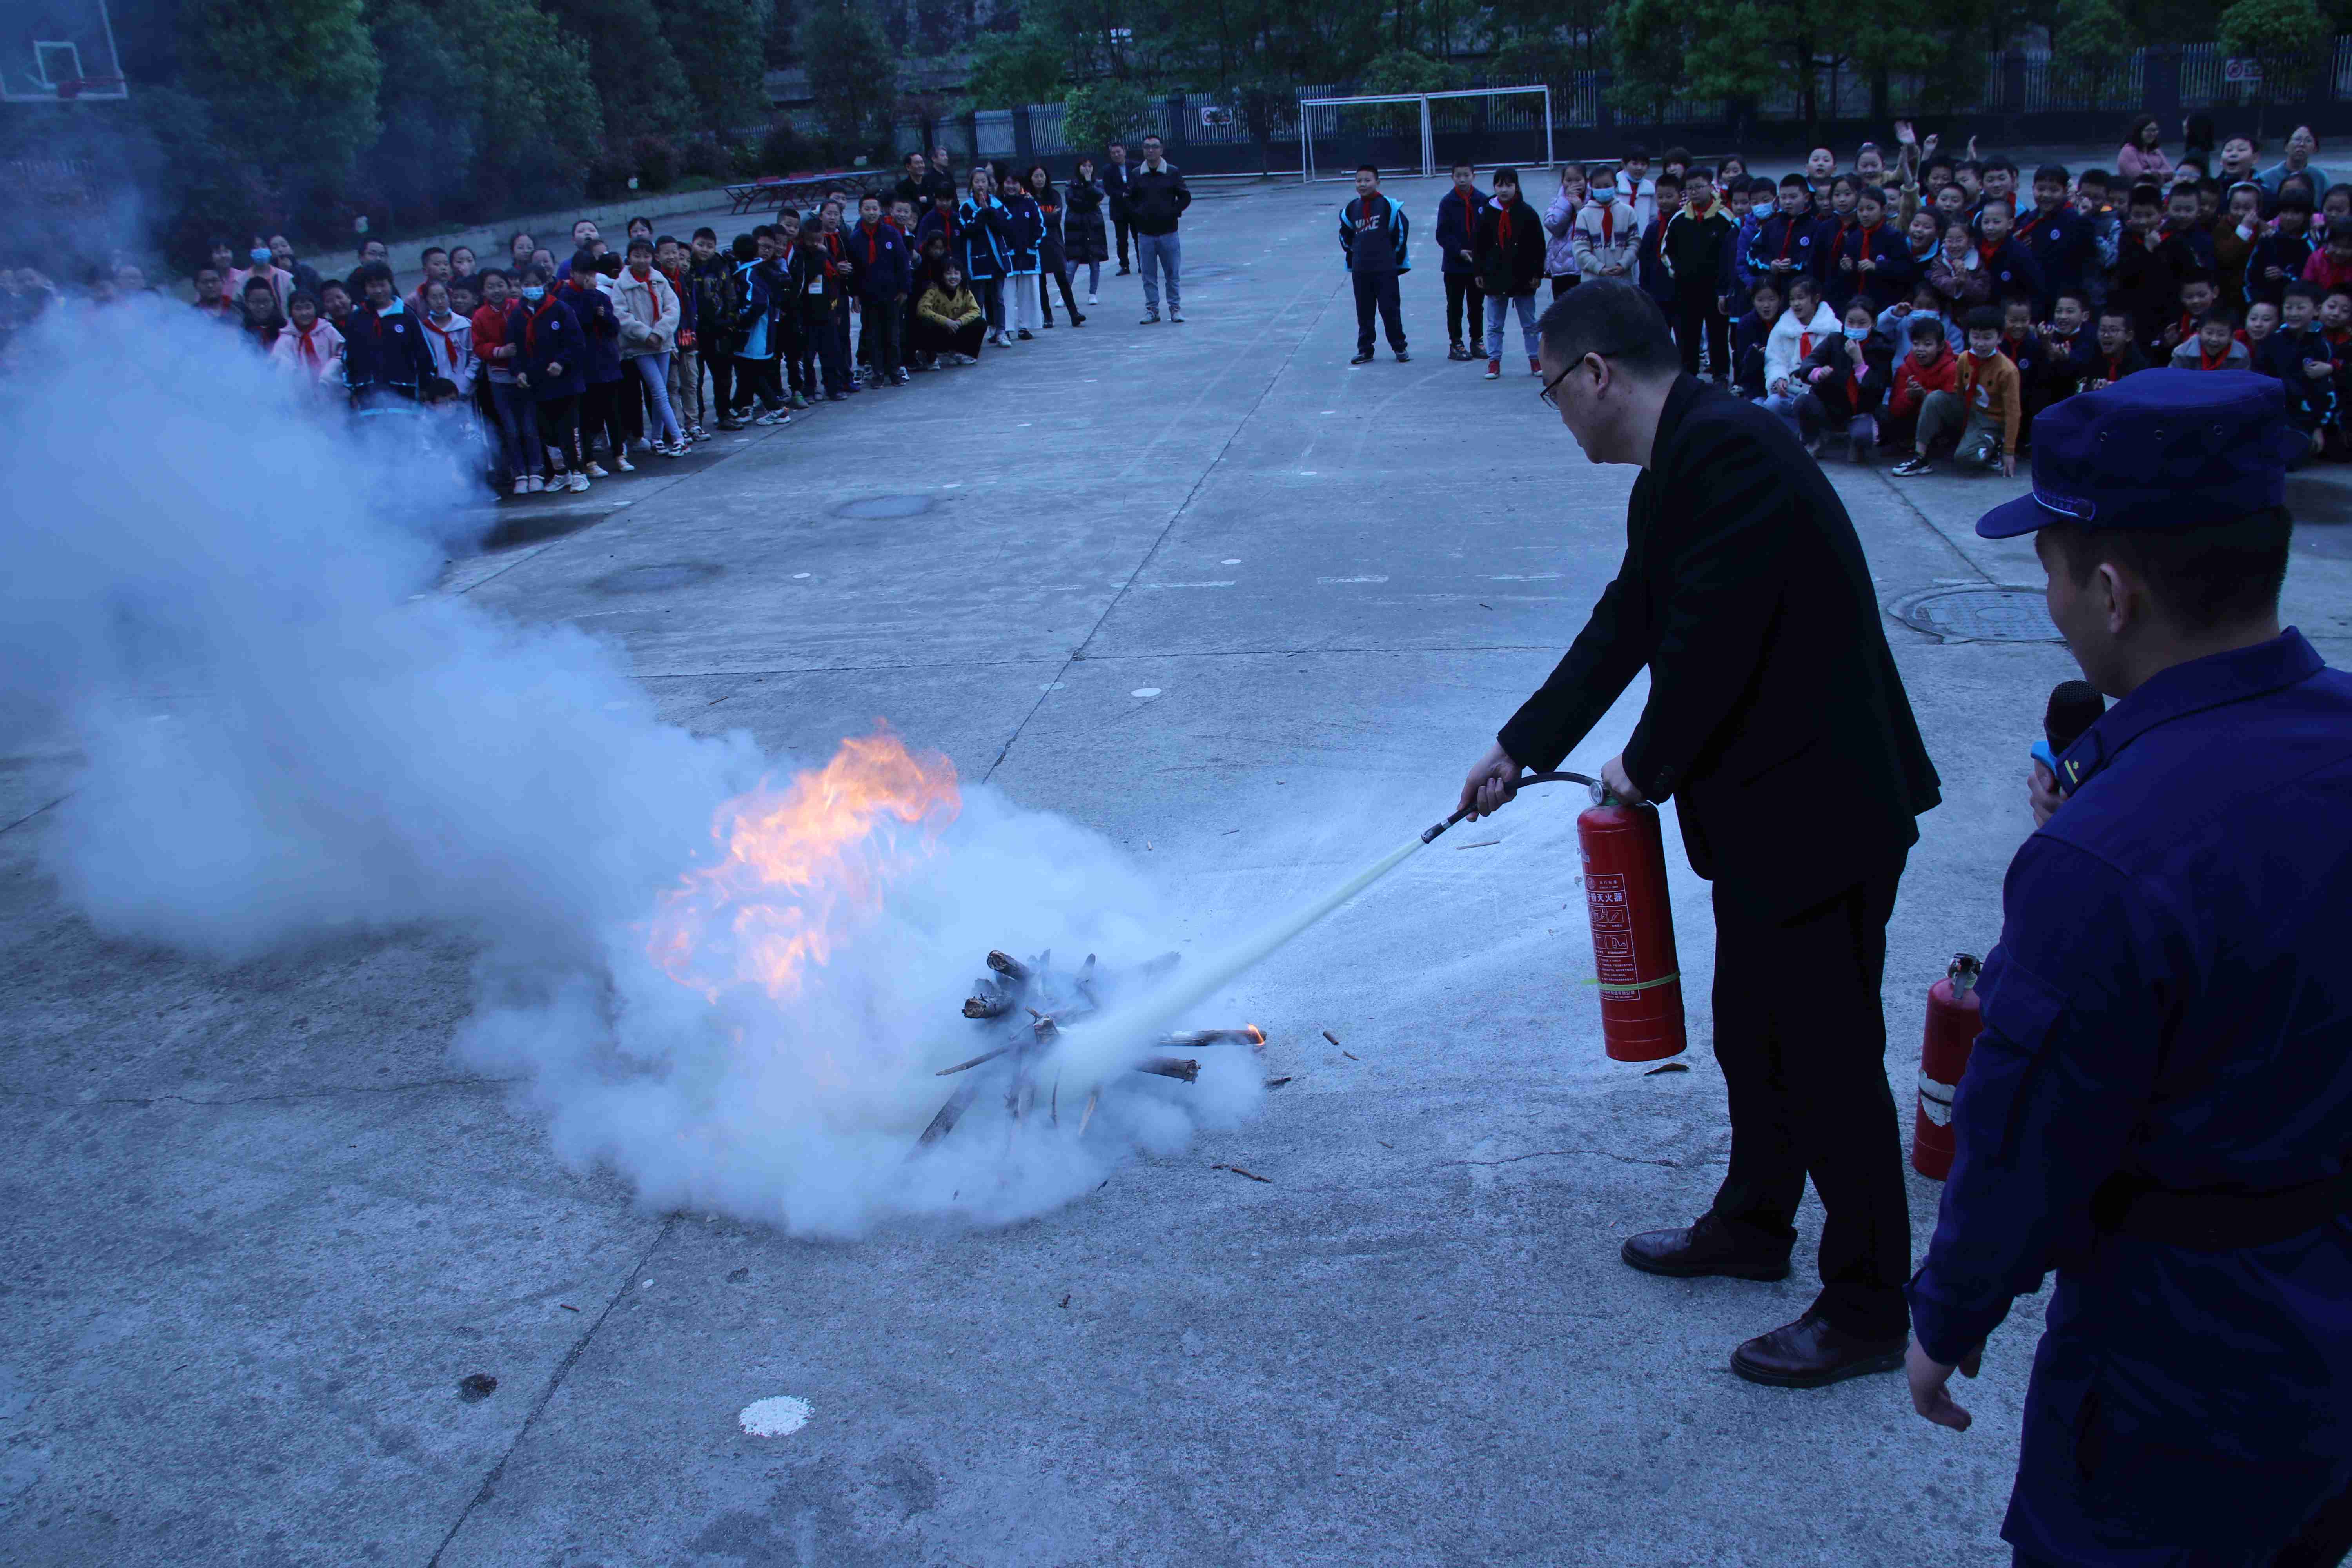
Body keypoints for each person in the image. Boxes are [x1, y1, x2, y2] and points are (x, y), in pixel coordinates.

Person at [1908, 370, 2352, 1568]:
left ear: (2111, 590)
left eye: (2050, 570)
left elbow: (2025, 1128)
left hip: (2173, 1355)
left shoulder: (2100, 854)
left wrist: (1947, 1312)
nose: (2046, 600)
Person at [1461, 279, 1940, 1387]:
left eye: (1551, 393)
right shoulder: (1685, 456)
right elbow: (1633, 615)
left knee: (1829, 1061)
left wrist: (1642, 763)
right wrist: (1522, 744)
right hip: (1771, 813)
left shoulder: (1731, 452)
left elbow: (1714, 635)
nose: (1558, 416)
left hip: (1824, 811)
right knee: (1753, 1032)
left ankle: (1870, 1305)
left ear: (1597, 375)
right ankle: (1754, 1225)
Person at [1894, 306, 2020, 477]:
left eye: (1988, 338)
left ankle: (1995, 447)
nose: (1981, 343)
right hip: (1968, 410)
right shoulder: (1964, 359)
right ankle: (1920, 457)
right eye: (1976, 337)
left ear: (1999, 338)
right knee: (1935, 398)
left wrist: (2009, 452)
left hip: (1989, 419)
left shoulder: (2007, 370)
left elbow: (2013, 413)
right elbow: (1957, 393)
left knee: (1965, 458)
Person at [512, 264, 587, 491]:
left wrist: (561, 362)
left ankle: (579, 472)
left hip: (565, 382)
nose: (531, 289)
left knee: (570, 428)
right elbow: (516, 349)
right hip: (539, 383)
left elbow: (577, 343)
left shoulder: (560, 309)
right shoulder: (518, 315)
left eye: (536, 284)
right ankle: (560, 472)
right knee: (547, 431)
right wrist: (519, 372)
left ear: (545, 284)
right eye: (527, 284)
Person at [1661, 164, 1735, 381]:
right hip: (1686, 290)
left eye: (1699, 187)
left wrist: (1726, 286)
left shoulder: (1725, 219)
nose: (1694, 192)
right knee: (1687, 335)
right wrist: (1678, 273)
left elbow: (1731, 256)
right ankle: (1688, 376)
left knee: (1718, 334)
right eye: (1690, 188)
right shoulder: (1679, 219)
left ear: (1711, 186)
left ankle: (1721, 374)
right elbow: (1665, 251)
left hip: (1716, 291)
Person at [613, 237, 686, 454]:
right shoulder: (621, 284)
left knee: (659, 392)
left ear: (652, 258)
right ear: (629, 258)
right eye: (637, 256)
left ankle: (656, 438)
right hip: (640, 347)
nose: (642, 260)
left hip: (662, 343)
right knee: (659, 392)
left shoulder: (659, 279)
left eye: (646, 256)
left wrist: (660, 333)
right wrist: (647, 335)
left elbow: (674, 309)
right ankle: (679, 438)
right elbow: (621, 316)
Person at [1476, 166, 1545, 379]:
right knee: (1495, 324)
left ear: (1517, 186)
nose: (1504, 190)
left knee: (1530, 323)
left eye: (1509, 185)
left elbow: (1538, 245)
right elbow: (1479, 244)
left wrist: (1537, 273)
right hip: (1495, 276)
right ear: (1494, 187)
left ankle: (1536, 360)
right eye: (1500, 185)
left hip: (1523, 276)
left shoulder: (1527, 213)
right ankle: (1494, 362)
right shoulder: (1486, 212)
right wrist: (1479, 271)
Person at [1340, 164, 1411, 366]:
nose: (1363, 184)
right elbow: (1344, 236)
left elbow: (1401, 232)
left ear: (1378, 182)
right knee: (1364, 311)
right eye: (1359, 181)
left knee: (1390, 309)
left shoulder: (1388, 206)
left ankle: (1399, 346)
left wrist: (1391, 257)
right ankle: (1365, 349)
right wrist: (1354, 253)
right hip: (1361, 270)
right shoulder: (1351, 209)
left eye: (1367, 180)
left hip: (1385, 269)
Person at [341, 261, 436, 408]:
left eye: (382, 285)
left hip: (404, 391)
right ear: (365, 288)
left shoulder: (406, 316)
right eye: (372, 286)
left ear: (391, 284)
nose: (378, 291)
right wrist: (353, 390)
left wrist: (425, 386)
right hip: (368, 393)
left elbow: (424, 355)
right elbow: (349, 357)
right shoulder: (357, 318)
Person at [847, 193, 912, 383]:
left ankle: (894, 371)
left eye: (875, 209)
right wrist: (856, 296)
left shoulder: (891, 234)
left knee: (893, 335)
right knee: (873, 335)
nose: (871, 213)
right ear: (860, 212)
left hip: (891, 294)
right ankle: (878, 373)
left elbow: (903, 263)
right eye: (867, 209)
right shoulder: (856, 238)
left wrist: (904, 289)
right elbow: (855, 271)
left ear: (881, 211)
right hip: (869, 295)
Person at [1128, 134, 1191, 325]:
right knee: (1148, 275)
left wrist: (1173, 212)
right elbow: (1128, 199)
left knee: (1172, 273)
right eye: (1147, 147)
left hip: (1169, 232)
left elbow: (1185, 197)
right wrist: (1139, 213)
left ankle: (1175, 308)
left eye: (1155, 147)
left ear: (1161, 150)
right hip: (1145, 234)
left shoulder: (1172, 172)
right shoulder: (1137, 174)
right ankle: (1152, 310)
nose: (1151, 151)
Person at [1436, 161, 1490, 360]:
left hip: (1477, 264)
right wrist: (1459, 251)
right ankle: (1456, 344)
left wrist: (1482, 254)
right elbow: (1442, 234)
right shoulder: (1447, 202)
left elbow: (1488, 232)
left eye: (1466, 175)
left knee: (1477, 305)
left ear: (1474, 176)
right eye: (1458, 176)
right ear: (1452, 177)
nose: (1462, 180)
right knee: (1455, 305)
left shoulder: (1483, 200)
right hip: (1454, 264)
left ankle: (1477, 340)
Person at [1028, 165, 1083, 328]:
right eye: (1036, 176)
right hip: (1036, 243)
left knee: (1062, 279)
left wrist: (1039, 215)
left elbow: (1055, 219)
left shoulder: (1054, 195)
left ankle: (1074, 313)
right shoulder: (1028, 197)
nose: (1040, 179)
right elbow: (1031, 219)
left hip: (1054, 242)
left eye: (1042, 176)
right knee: (1041, 282)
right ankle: (1047, 316)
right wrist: (1046, 216)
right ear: (1031, 179)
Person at [996, 169, 1045, 341]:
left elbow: (1040, 226)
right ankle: (1006, 328)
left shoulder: (1030, 204)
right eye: (1008, 183)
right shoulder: (997, 204)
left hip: (1029, 256)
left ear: (1021, 186)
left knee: (1029, 292)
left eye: (1014, 183)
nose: (1011, 187)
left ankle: (1025, 327)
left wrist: (1033, 244)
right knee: (1006, 293)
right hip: (1007, 257)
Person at [914, 260, 986, 365]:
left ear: (961, 276)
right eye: (949, 273)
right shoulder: (934, 290)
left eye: (956, 273)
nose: (953, 277)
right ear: (942, 276)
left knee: (981, 322)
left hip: (957, 330)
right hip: (938, 332)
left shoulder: (965, 292)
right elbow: (922, 309)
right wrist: (946, 322)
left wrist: (960, 322)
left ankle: (965, 353)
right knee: (925, 322)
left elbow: (976, 310)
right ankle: (930, 358)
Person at [270, 289, 343, 387]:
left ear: (315, 309)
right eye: (298, 309)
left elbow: (343, 354)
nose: (304, 313)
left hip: (330, 389)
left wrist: (328, 375)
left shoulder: (328, 331)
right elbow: (277, 362)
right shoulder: (286, 338)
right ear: (291, 312)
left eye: (308, 308)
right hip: (300, 393)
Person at [1065, 157, 1110, 305]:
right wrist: (1090, 203)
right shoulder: (1071, 185)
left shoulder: (1097, 183)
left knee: (1094, 261)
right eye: (1084, 166)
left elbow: (1099, 196)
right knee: (1072, 263)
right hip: (1076, 228)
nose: (1087, 169)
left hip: (1093, 227)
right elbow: (1073, 202)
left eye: (1090, 166)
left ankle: (1093, 293)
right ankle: (1065, 294)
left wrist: (1089, 182)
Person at [1543, 162, 1586, 301]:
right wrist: (1567, 203)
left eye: (1578, 180)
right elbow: (1553, 225)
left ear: (1586, 180)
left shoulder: (1593, 200)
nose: (1573, 185)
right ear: (1562, 182)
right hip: (1561, 267)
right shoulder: (1559, 202)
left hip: (1584, 267)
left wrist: (1580, 209)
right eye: (1569, 181)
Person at [2170, 304, 2250, 370]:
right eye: (2209, 333)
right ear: (2199, 333)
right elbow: (2173, 378)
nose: (2214, 339)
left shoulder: (2242, 354)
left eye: (2221, 334)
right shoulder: (2184, 352)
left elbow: (2243, 384)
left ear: (2232, 337)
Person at [2261, 125, 2330, 196]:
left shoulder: (2320, 178)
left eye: (2308, 141)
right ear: (2286, 147)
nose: (2302, 144)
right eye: (2297, 139)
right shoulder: (2266, 179)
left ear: (2315, 149)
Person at [1103, 140, 1134, 274]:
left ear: (1124, 152)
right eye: (1113, 153)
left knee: (1139, 237)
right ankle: (1124, 266)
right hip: (1119, 209)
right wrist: (1122, 194)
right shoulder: (1108, 170)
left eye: (1118, 152)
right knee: (1122, 240)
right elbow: (1108, 189)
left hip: (1135, 207)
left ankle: (1143, 264)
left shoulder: (1135, 166)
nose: (1116, 155)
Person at [2118, 113, 2171, 185]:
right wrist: (2159, 174)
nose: (2152, 134)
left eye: (2155, 130)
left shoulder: (2156, 151)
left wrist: (2150, 172)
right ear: (2139, 132)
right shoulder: (2128, 151)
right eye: (2148, 130)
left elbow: (2171, 173)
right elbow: (2140, 177)